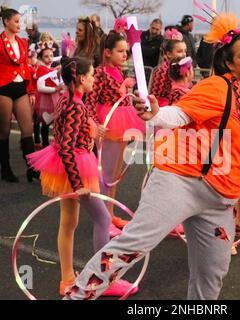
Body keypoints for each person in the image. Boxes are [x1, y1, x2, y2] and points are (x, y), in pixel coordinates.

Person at [63, 13, 240, 300]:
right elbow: (180, 113)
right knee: (133, 245)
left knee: (212, 273)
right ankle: (76, 297)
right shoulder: (219, 86)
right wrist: (156, 113)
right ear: (230, 64)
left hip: (222, 200)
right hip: (180, 181)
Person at [27, 56, 138, 297]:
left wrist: (94, 128)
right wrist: (78, 185)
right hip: (75, 168)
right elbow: (66, 146)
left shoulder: (70, 99)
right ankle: (103, 279)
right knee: (102, 220)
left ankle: (67, 278)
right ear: (80, 78)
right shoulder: (74, 105)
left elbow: (74, 130)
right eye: (91, 75)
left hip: (67, 167)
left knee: (69, 223)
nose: (94, 78)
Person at [86, 30, 144, 229]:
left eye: (125, 51)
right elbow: (90, 100)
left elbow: (122, 98)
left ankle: (109, 215)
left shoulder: (118, 72)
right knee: (106, 175)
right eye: (120, 51)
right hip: (107, 124)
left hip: (121, 121)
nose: (124, 55)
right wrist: (94, 123)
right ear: (107, 52)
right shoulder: (100, 73)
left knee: (115, 175)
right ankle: (103, 220)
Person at [0, 6, 39, 183]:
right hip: (3, 88)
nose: (19, 24)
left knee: (27, 129)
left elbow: (25, 67)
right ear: (6, 22)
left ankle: (32, 168)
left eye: (20, 21)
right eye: (16, 21)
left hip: (21, 87)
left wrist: (31, 90)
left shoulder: (23, 42)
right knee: (4, 130)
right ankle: (5, 169)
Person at [35, 42, 64, 147]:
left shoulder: (51, 69)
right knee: (46, 122)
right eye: (46, 56)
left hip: (54, 98)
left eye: (51, 56)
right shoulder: (42, 69)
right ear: (41, 58)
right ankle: (45, 144)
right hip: (46, 99)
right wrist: (55, 89)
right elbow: (40, 87)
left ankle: (52, 143)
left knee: (53, 121)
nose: (50, 58)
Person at [150, 28, 187, 106]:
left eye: (185, 51)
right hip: (164, 108)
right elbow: (154, 93)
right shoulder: (162, 69)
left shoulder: (182, 68)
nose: (184, 54)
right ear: (169, 54)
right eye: (179, 51)